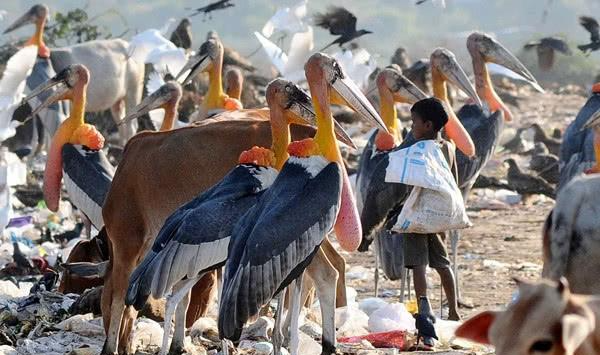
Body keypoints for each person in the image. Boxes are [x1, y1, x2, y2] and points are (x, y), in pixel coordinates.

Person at [404, 97, 461, 348]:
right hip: (438, 217)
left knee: (419, 265)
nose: (411, 126)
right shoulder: (448, 148)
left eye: (414, 121)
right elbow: (454, 184)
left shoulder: (416, 149)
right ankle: (454, 311)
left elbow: (400, 174)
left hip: (416, 215)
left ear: (427, 125)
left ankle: (425, 322)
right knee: (442, 263)